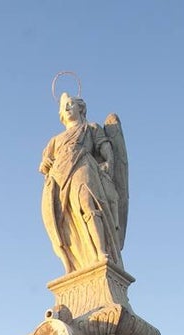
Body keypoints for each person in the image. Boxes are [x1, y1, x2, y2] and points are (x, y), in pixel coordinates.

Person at [39, 92, 127, 274]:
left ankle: (101, 253)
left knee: (87, 204)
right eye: (64, 107)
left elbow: (105, 148)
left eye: (71, 104)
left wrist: (109, 162)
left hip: (83, 166)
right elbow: (44, 165)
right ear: (61, 116)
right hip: (59, 177)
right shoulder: (55, 141)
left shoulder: (91, 128)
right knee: (65, 218)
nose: (67, 108)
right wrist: (46, 164)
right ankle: (74, 262)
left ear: (81, 108)